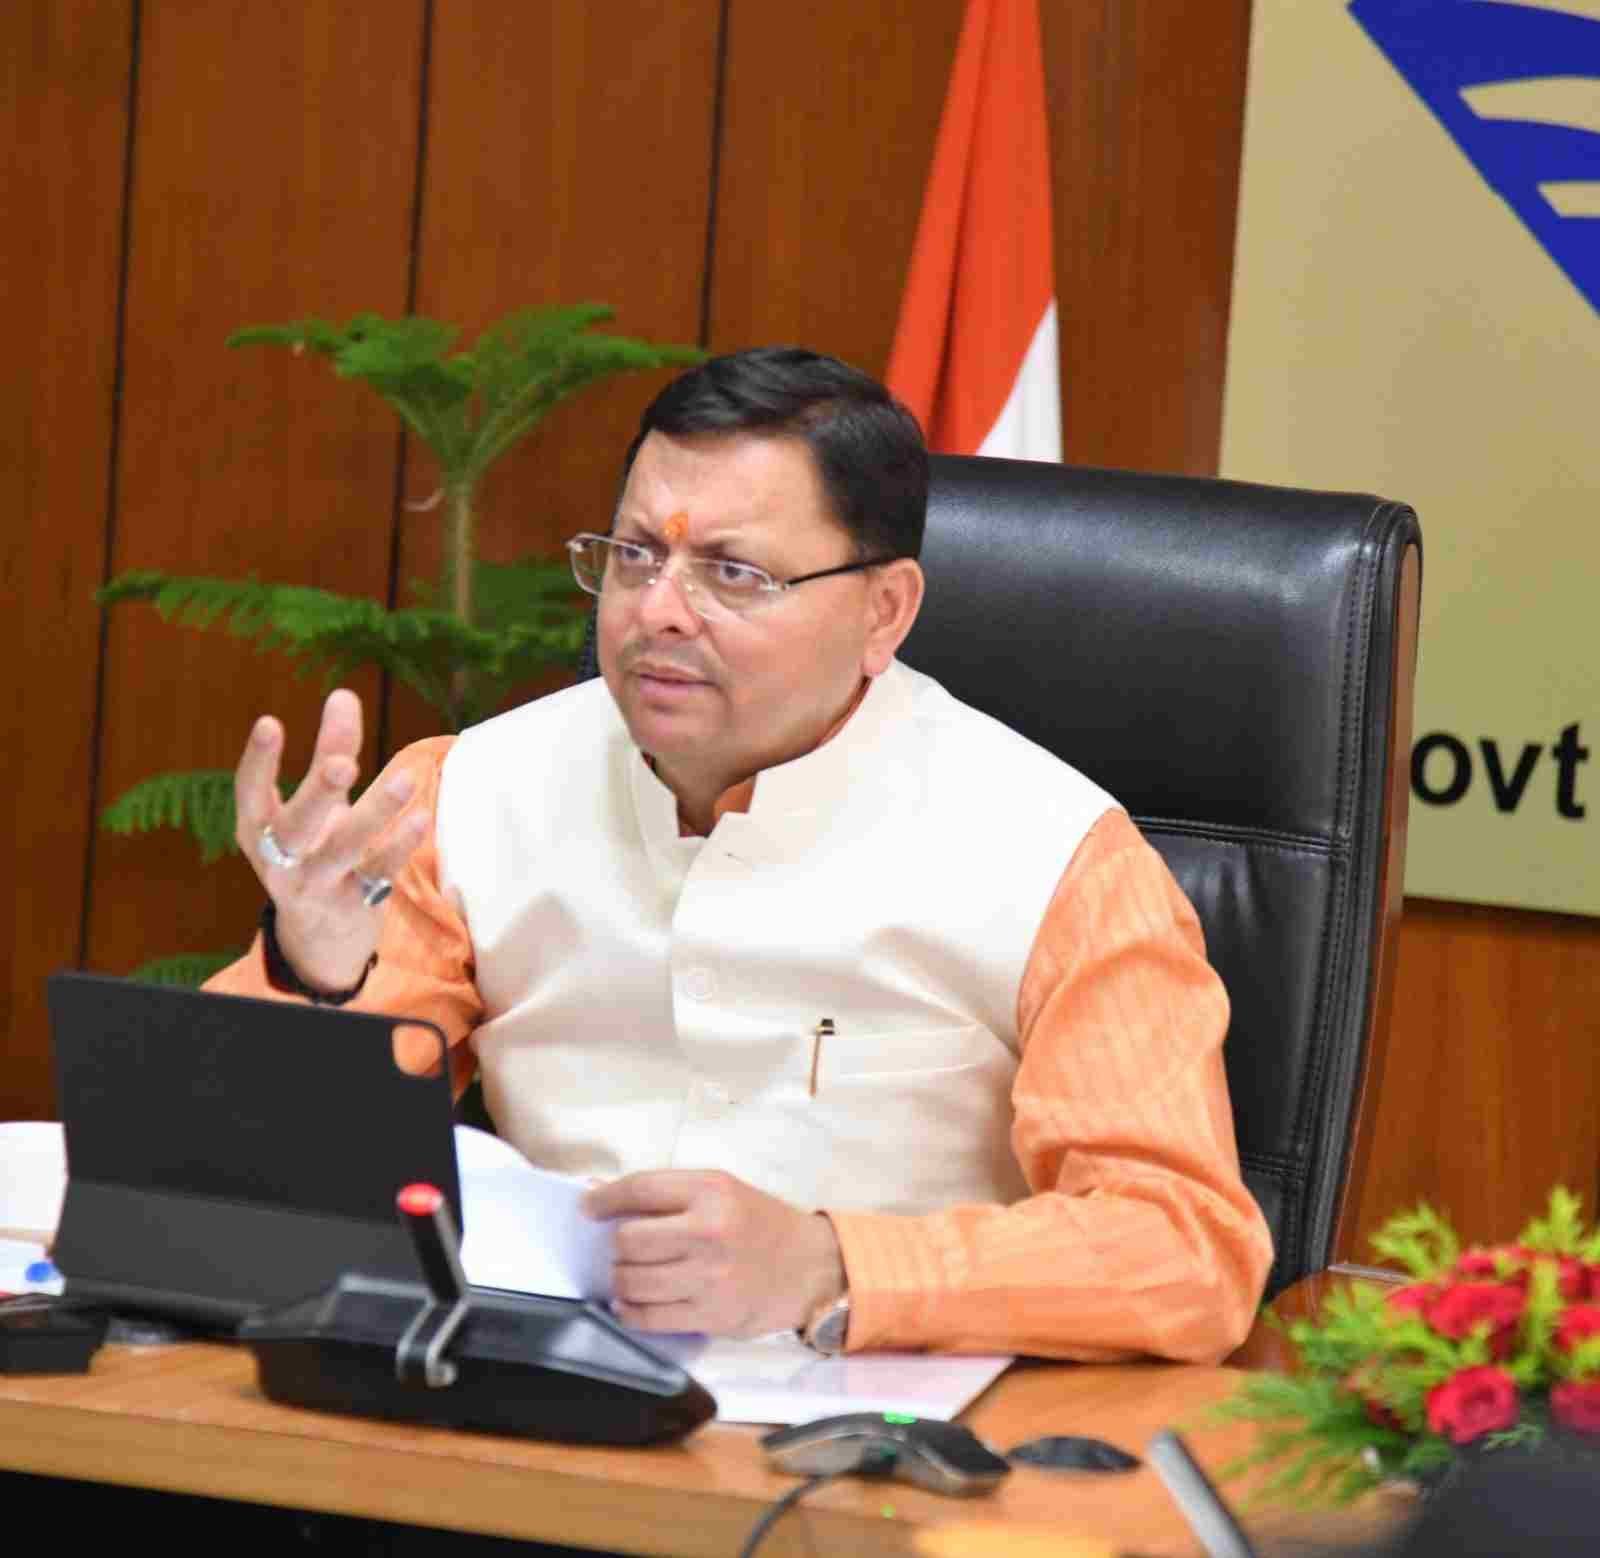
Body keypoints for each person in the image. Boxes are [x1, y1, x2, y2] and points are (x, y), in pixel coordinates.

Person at [208, 346, 1273, 1360]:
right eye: (636, 555)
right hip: (539, 1387)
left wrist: (831, 1264)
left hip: (885, 1430)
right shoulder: (463, 793)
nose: (659, 612)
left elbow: (1185, 1248)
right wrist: (316, 978)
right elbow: (239, 1170)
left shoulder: (1057, 857)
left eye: (733, 572)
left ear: (884, 611)